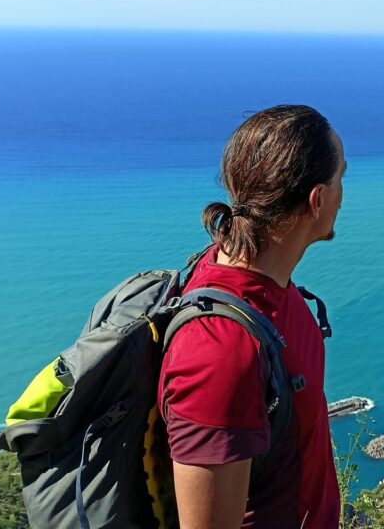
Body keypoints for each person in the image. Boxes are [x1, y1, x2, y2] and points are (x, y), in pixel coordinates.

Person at [159, 104, 346, 528]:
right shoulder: (219, 350)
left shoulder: (272, 286)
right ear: (317, 200)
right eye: (341, 178)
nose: (343, 193)